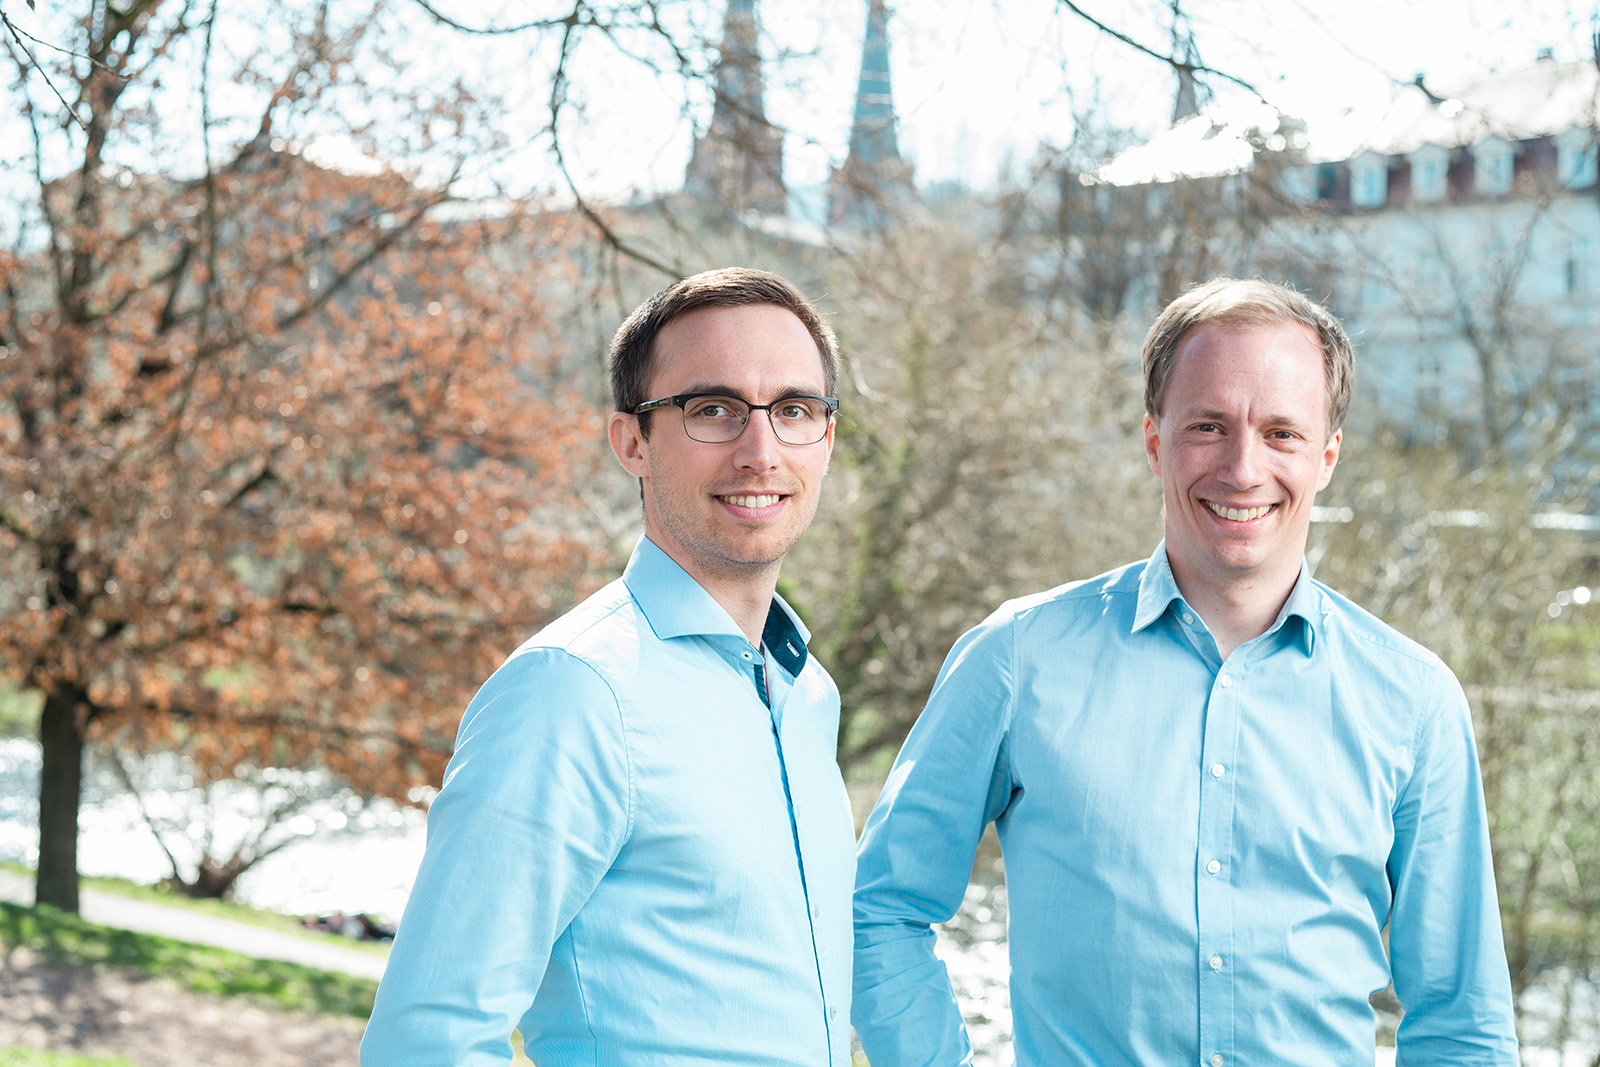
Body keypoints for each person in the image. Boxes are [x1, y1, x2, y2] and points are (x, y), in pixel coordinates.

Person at [852, 277, 1518, 1065]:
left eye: (1282, 433)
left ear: (1327, 457)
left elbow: (1462, 1022)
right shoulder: (1017, 659)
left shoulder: (1414, 700)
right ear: (1154, 438)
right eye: (1209, 425)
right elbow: (881, 910)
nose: (1243, 468)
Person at [362, 267, 855, 1066]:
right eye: (714, 409)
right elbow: (429, 1041)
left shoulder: (807, 693)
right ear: (632, 440)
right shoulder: (572, 691)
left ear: (825, 441)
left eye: (793, 410)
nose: (760, 450)